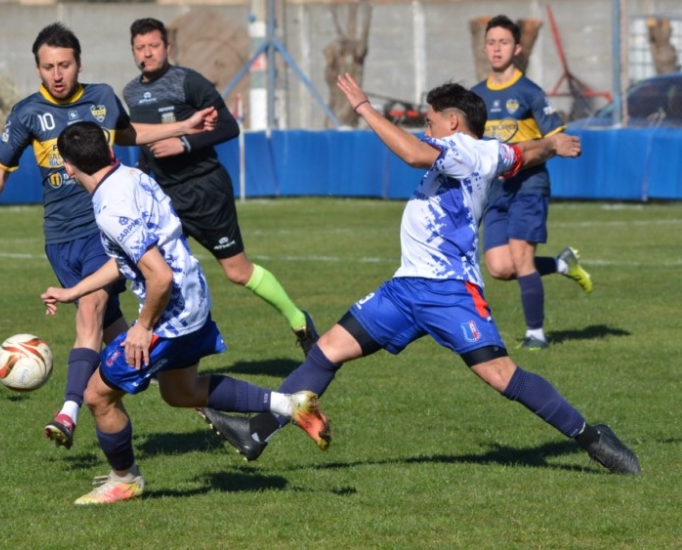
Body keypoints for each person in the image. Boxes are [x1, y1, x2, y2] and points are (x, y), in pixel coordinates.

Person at [199, 74, 640, 476]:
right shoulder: (490, 151)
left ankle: (593, 438)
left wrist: (365, 109)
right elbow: (524, 153)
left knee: (502, 376)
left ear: (452, 122)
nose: (425, 129)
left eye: (429, 122)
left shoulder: (465, 151)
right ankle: (256, 433)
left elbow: (412, 153)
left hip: (449, 292)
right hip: (406, 288)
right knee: (327, 351)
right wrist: (554, 145)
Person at [41, 121, 331, 505]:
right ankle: (289, 405)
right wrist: (74, 291)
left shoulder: (111, 207)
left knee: (97, 395)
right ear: (109, 151)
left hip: (170, 313)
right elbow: (128, 260)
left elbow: (157, 276)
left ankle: (124, 479)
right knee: (182, 392)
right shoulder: (131, 175)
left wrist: (143, 327)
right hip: (194, 296)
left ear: (69, 166)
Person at [0, 22, 217, 450]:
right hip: (59, 238)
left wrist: (185, 125)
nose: (57, 74)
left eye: (64, 64)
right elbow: (0, 168)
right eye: (48, 67)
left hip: (103, 228)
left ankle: (68, 411)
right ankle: (197, 398)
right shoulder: (27, 112)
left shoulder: (102, 97)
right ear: (38, 69)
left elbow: (130, 134)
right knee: (112, 332)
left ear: (78, 63)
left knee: (89, 309)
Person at [123, 17, 318, 355]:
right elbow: (145, 142)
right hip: (166, 196)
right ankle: (160, 350)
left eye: (153, 46)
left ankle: (300, 321)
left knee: (237, 272)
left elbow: (228, 126)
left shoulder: (188, 82)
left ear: (167, 48)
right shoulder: (131, 92)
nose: (147, 53)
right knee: (159, 272)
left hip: (205, 189)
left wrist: (183, 144)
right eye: (140, 48)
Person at [471, 14, 592, 350]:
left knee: (522, 261)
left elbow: (556, 138)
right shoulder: (476, 95)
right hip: (496, 190)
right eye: (492, 42)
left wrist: (564, 145)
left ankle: (536, 335)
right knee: (499, 267)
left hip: (528, 187)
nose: (497, 48)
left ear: (518, 48)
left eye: (504, 42)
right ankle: (561, 263)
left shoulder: (530, 92)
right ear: (485, 48)